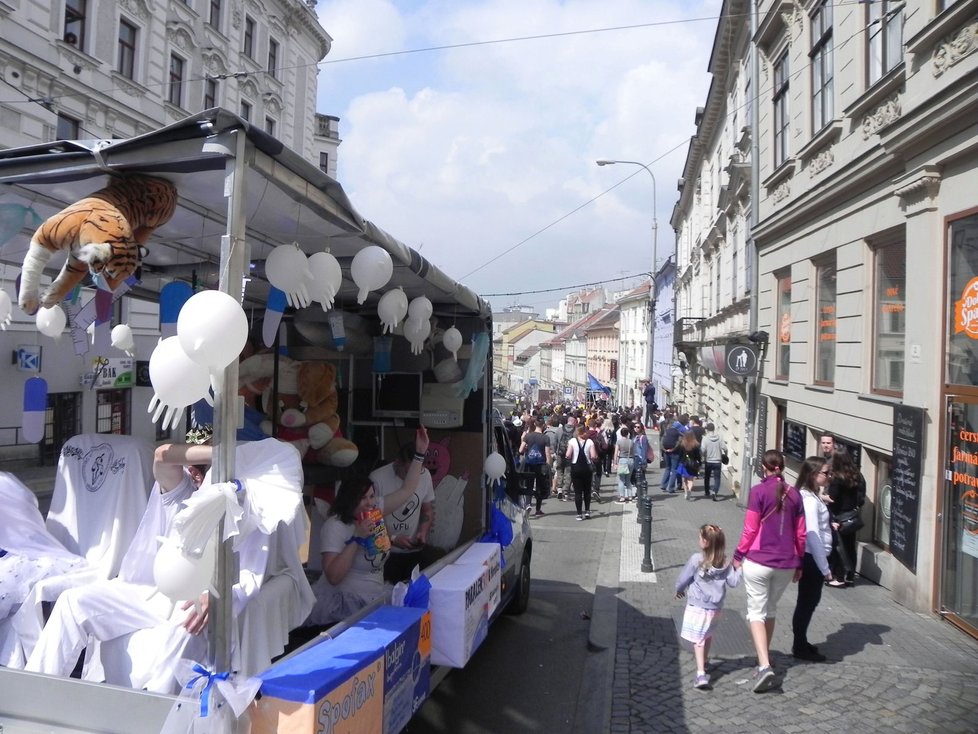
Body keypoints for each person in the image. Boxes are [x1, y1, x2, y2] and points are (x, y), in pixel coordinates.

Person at [25, 431, 311, 687]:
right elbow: (163, 456)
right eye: (194, 468)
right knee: (72, 603)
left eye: (203, 471)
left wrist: (220, 598)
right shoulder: (180, 491)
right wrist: (224, 453)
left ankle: (152, 716)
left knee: (183, 633)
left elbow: (250, 574)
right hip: (150, 591)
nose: (196, 475)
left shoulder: (244, 510)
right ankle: (34, 694)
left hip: (192, 602)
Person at [307, 427, 430, 625]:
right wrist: (357, 538)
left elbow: (407, 490)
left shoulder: (375, 513)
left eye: (372, 496)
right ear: (349, 499)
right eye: (363, 498)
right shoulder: (335, 526)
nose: (370, 502)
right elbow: (333, 576)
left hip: (375, 597)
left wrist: (420, 453)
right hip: (343, 606)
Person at [731, 449, 805, 693]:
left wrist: (738, 555)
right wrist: (800, 562)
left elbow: (750, 529)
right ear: (781, 467)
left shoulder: (758, 492)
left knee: (755, 612)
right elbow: (800, 533)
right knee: (769, 610)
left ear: (764, 467)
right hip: (786, 562)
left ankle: (764, 665)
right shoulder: (795, 495)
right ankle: (766, 657)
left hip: (759, 560)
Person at [675, 524, 741, 690]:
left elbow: (683, 579)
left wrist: (679, 590)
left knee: (698, 641)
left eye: (700, 537)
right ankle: (704, 661)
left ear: (705, 542)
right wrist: (740, 568)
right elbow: (733, 583)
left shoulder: (696, 559)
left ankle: (700, 674)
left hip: (698, 606)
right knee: (707, 634)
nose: (699, 540)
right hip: (715, 608)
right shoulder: (725, 563)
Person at [370, 443, 440, 584]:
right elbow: (372, 518)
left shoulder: (425, 476)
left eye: (418, 471)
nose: (413, 478)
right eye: (408, 472)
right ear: (397, 463)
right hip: (386, 555)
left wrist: (423, 532)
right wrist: (393, 539)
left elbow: (427, 509)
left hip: (414, 552)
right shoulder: (377, 478)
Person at [791, 456, 834, 662]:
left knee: (810, 601)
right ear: (812, 474)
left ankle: (801, 640)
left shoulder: (812, 496)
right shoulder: (808, 500)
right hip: (811, 558)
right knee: (807, 602)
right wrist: (825, 568)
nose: (829, 476)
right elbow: (812, 534)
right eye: (825, 473)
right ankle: (799, 646)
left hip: (814, 557)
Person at [825, 447, 867, 587]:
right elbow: (861, 499)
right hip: (852, 516)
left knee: (838, 547)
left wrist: (822, 496)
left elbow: (832, 497)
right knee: (850, 547)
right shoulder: (857, 475)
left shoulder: (837, 478)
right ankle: (850, 576)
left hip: (839, 516)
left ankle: (840, 577)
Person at [519, 418, 553, 518]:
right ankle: (538, 509)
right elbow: (547, 453)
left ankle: (528, 504)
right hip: (541, 464)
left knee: (529, 485)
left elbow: (521, 449)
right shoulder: (545, 437)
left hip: (529, 463)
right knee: (540, 486)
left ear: (535, 424)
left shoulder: (528, 435)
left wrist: (527, 449)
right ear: (543, 426)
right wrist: (548, 465)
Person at [565, 424, 599, 521]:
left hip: (575, 468)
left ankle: (579, 514)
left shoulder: (572, 441)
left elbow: (568, 455)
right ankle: (587, 511)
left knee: (578, 492)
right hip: (587, 468)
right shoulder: (590, 442)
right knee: (587, 491)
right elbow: (593, 456)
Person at [553, 415, 578, 501]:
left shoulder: (559, 430)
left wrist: (555, 452)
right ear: (574, 422)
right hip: (571, 455)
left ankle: (559, 488)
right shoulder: (576, 431)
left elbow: (554, 442)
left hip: (560, 453)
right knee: (568, 472)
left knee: (559, 470)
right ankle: (565, 491)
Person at [700, 423, 727, 501]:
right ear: (714, 429)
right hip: (718, 461)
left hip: (708, 460)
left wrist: (702, 456)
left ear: (707, 430)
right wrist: (725, 455)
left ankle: (707, 491)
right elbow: (725, 448)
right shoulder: (719, 437)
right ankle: (715, 491)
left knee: (707, 477)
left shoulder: (705, 438)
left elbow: (703, 450)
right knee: (717, 478)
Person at [676, 430, 702, 501]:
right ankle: (690, 489)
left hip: (684, 463)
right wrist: (699, 463)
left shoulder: (682, 444)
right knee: (690, 479)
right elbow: (698, 456)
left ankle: (686, 493)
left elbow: (680, 455)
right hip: (692, 464)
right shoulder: (696, 445)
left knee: (684, 479)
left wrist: (679, 462)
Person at [613, 426, 636, 503]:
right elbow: (634, 452)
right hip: (630, 459)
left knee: (621, 480)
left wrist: (615, 463)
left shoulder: (619, 442)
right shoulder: (631, 442)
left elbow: (616, 453)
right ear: (627, 434)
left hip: (622, 460)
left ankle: (622, 496)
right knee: (628, 479)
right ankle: (630, 496)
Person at [659, 417, 682, 494]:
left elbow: (661, 441)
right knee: (674, 470)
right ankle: (671, 488)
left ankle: (663, 484)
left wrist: (665, 450)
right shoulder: (678, 433)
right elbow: (679, 443)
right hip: (675, 453)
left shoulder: (666, 432)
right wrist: (673, 449)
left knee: (667, 468)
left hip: (666, 452)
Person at [631, 423, 651, 493]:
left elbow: (644, 450)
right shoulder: (635, 437)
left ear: (641, 428)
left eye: (638, 427)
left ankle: (643, 493)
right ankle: (639, 492)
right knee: (634, 477)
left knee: (641, 477)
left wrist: (643, 462)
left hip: (640, 459)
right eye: (635, 427)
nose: (636, 428)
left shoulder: (643, 438)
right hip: (634, 458)